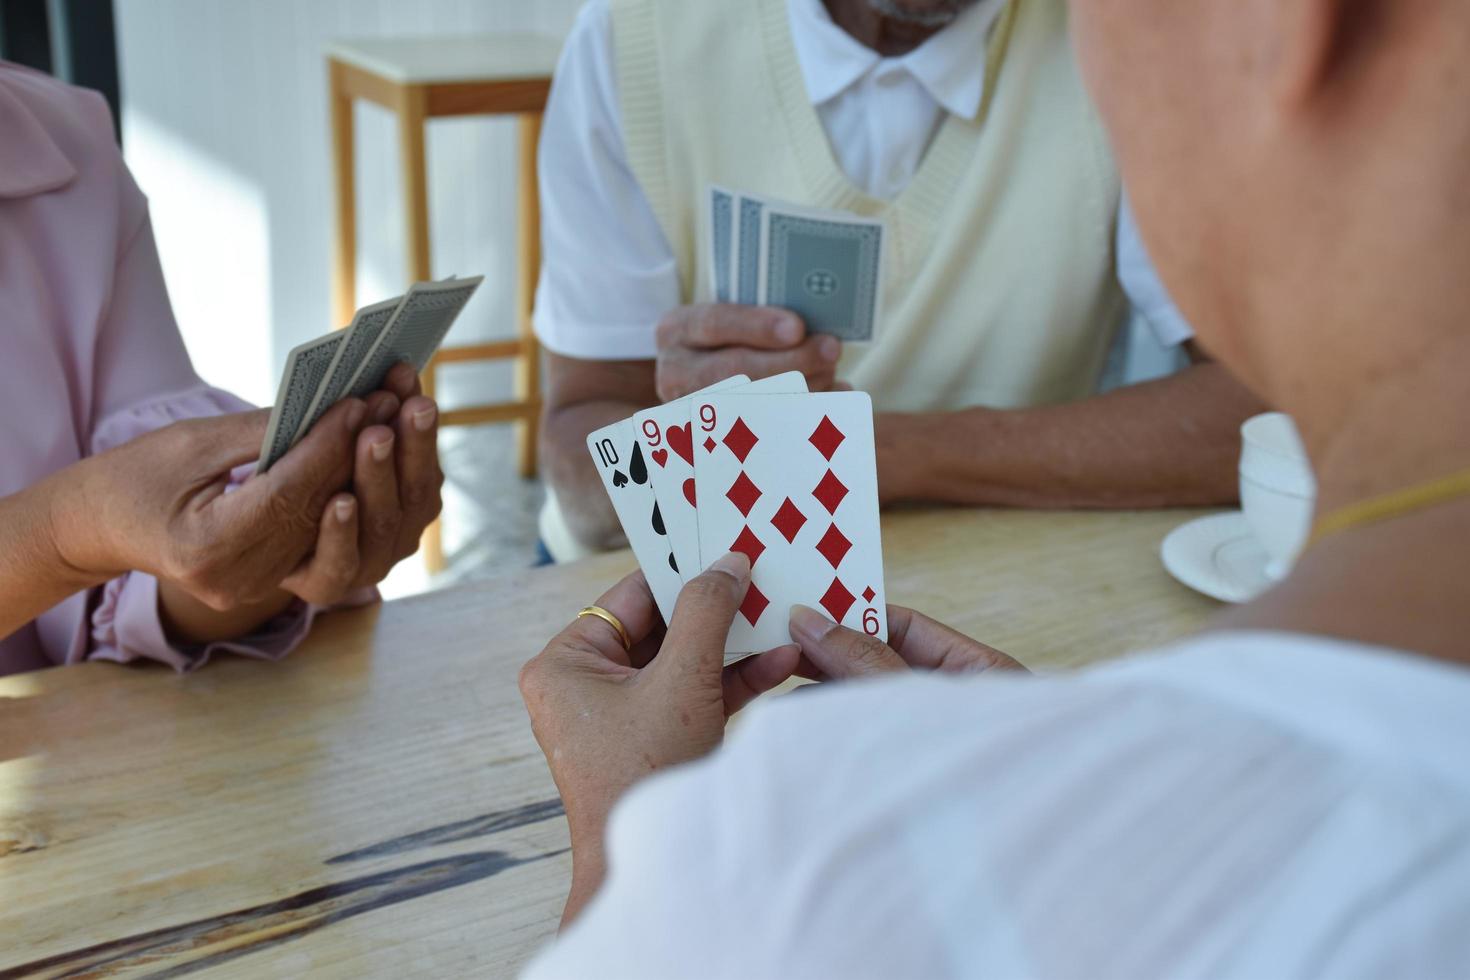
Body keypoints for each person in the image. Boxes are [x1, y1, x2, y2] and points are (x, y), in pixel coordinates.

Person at [518, 0, 1470, 972]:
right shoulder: (637, 42)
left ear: (1280, 25)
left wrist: (621, 853)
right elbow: (576, 450)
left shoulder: (778, 868)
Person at [531, 0, 1266, 561]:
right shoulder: (638, 36)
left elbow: (1262, 415)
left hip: (1006, 573)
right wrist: (694, 451)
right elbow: (580, 468)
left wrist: (868, 454)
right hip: (687, 575)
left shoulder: (1124, 39)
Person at [0, 62, 443, 676]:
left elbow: (139, 579)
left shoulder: (65, 141)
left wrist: (263, 552)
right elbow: (98, 529)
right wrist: (64, 533)